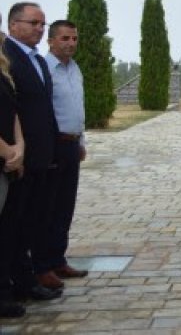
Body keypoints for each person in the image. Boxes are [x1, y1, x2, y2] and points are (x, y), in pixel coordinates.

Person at [0, 2, 61, 306]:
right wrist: (16, 150)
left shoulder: (36, 58)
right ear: (13, 25)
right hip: (15, 158)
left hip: (38, 155)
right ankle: (7, 286)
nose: (39, 28)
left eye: (42, 24)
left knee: (30, 222)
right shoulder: (7, 57)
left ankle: (25, 279)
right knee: (11, 224)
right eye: (33, 23)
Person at [42, 20, 89, 283]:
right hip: (53, 145)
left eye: (74, 38)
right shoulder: (44, 68)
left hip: (72, 144)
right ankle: (42, 264)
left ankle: (58, 259)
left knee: (65, 207)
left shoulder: (75, 69)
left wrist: (81, 141)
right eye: (64, 38)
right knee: (47, 207)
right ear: (51, 41)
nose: (70, 43)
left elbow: (76, 108)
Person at [0, 20, 25, 318]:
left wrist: (19, 146)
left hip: (9, 159)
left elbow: (13, 111)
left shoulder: (4, 70)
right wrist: (9, 151)